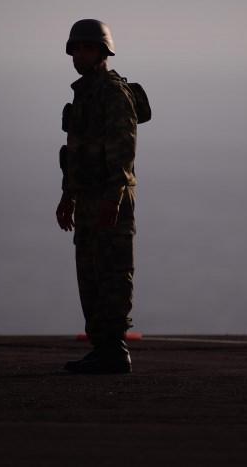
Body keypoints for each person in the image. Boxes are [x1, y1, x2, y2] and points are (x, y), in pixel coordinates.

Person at [56, 19, 150, 374]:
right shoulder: (84, 94)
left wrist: (113, 198)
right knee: (90, 274)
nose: (79, 55)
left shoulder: (113, 93)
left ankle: (114, 349)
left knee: (112, 272)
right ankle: (102, 348)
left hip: (111, 198)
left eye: (87, 48)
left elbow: (124, 150)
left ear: (102, 52)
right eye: (76, 49)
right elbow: (75, 153)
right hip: (87, 199)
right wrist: (68, 196)